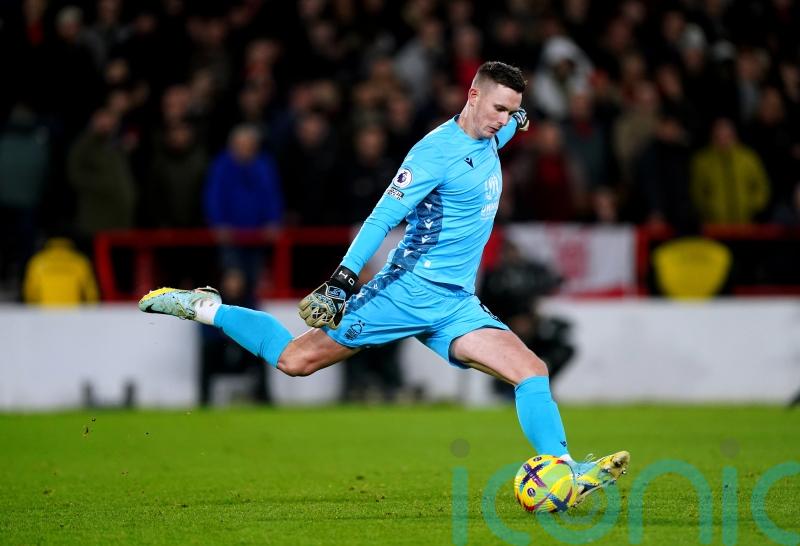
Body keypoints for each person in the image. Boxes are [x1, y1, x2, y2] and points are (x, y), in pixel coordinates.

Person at [139, 62, 628, 507]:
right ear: (472, 95)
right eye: (499, 108)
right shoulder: (434, 152)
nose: (504, 120)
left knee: (532, 370)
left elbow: (509, 129)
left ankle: (566, 472)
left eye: (512, 112)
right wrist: (342, 281)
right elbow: (381, 217)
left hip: (455, 302)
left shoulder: (493, 134)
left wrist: (519, 120)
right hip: (405, 290)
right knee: (295, 360)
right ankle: (207, 307)